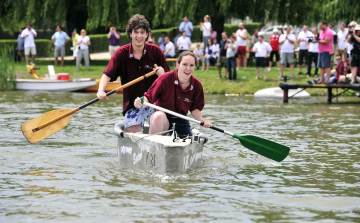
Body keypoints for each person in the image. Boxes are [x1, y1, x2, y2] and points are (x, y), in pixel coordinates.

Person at [97, 14, 170, 133]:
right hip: (132, 105)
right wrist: (101, 90)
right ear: (130, 33)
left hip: (155, 104)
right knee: (134, 136)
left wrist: (162, 75)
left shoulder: (156, 51)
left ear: (147, 34)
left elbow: (169, 80)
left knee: (160, 123)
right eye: (136, 32)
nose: (139, 36)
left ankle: (162, 139)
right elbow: (107, 74)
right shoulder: (121, 53)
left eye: (142, 32)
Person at [134, 51, 212, 137]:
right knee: (159, 117)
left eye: (191, 65)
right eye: (185, 64)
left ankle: (170, 135)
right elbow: (148, 98)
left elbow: (195, 108)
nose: (188, 69)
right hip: (160, 117)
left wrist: (201, 120)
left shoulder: (197, 85)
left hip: (181, 119)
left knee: (187, 142)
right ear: (177, 65)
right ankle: (154, 146)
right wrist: (140, 103)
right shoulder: (165, 79)